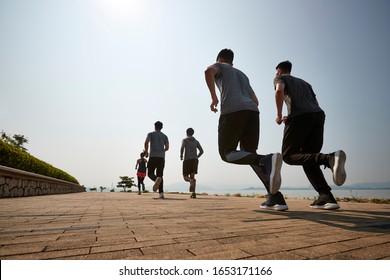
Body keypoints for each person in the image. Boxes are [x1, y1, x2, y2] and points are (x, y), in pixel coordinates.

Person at [205, 48, 287, 211]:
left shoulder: (219, 66)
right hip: (252, 112)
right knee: (249, 153)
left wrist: (214, 98)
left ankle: (267, 159)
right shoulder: (242, 74)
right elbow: (256, 100)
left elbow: (208, 71)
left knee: (227, 154)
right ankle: (276, 197)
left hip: (232, 111)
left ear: (220, 59)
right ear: (232, 62)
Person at [274, 60, 346, 210]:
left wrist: (280, 115)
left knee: (288, 156)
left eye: (276, 72)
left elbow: (279, 90)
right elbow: (314, 102)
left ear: (280, 71)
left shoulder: (280, 78)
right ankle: (326, 196)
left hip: (300, 117)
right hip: (318, 116)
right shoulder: (305, 83)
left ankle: (329, 158)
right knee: (309, 158)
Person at [144, 121, 169, 198]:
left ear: (154, 126)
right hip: (161, 157)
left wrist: (146, 152)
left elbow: (146, 142)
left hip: (153, 156)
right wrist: (162, 151)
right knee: (160, 175)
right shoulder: (165, 136)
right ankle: (161, 193)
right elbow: (167, 148)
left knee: (150, 173)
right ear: (162, 127)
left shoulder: (151, 134)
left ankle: (156, 179)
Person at [180, 128, 204, 198]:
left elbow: (182, 148)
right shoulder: (196, 141)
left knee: (185, 177)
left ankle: (190, 181)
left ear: (186, 132)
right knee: (193, 176)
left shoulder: (184, 140)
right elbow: (202, 151)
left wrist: (181, 155)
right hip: (195, 160)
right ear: (193, 133)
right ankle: (193, 193)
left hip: (187, 160)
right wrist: (197, 157)